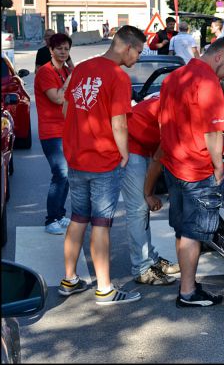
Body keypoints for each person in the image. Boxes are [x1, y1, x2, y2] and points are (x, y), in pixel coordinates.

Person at [59, 25, 147, 305]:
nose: (138, 58)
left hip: (77, 156)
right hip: (102, 159)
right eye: (139, 52)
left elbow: (65, 107)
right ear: (127, 47)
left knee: (78, 218)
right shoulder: (118, 76)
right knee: (101, 222)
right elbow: (119, 123)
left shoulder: (82, 68)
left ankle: (70, 279)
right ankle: (105, 288)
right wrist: (123, 153)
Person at [159, 36, 224, 308]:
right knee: (194, 233)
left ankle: (188, 284)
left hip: (173, 164)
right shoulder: (208, 82)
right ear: (219, 57)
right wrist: (219, 167)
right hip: (196, 168)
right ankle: (188, 292)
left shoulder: (175, 77)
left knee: (183, 231)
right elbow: (213, 131)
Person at [121, 95, 180, 286]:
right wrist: (148, 193)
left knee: (143, 210)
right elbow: (158, 158)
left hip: (143, 145)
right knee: (138, 208)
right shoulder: (175, 111)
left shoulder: (179, 104)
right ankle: (142, 269)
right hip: (130, 144)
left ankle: (150, 259)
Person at [34, 33, 74, 235]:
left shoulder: (66, 70)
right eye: (59, 49)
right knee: (60, 173)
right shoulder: (45, 72)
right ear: (50, 50)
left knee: (66, 177)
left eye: (66, 49)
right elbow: (58, 98)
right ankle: (51, 220)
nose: (63, 52)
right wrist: (70, 80)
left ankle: (59, 215)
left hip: (66, 130)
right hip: (51, 131)